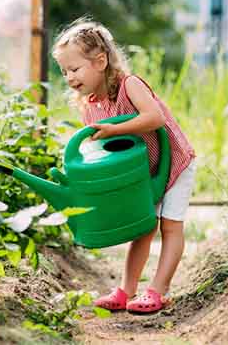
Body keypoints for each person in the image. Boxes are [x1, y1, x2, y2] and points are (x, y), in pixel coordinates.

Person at [52, 18, 197, 314]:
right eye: (64, 71)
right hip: (143, 173)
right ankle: (125, 291)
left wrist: (115, 129)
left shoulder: (130, 85)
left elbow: (155, 118)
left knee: (170, 226)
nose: (69, 77)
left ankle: (157, 290)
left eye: (75, 69)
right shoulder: (90, 104)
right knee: (143, 228)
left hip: (175, 163)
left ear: (101, 61)